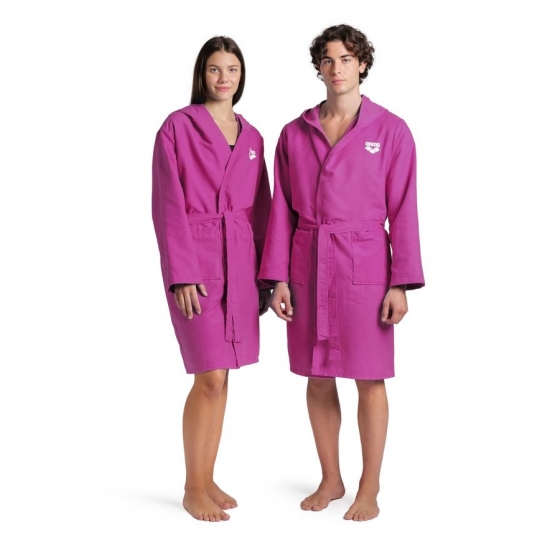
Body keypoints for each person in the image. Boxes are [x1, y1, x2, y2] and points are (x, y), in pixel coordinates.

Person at [258, 24, 424, 522]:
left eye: (347, 59)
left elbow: (405, 210)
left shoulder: (391, 130)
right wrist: (278, 277)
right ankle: (331, 478)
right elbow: (281, 210)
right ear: (319, 67)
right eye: (328, 60)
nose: (337, 69)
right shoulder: (294, 132)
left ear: (363, 64)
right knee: (317, 375)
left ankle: (369, 487)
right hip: (309, 262)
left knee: (369, 378)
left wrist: (400, 282)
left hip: (365, 264)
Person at [152, 36, 271, 522]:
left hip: (240, 261)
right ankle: (191, 486)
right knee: (210, 375)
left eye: (233, 69)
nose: (224, 78)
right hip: (197, 262)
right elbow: (167, 205)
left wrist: (267, 276)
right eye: (215, 69)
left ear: (242, 76)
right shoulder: (177, 127)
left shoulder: (252, 137)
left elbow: (262, 209)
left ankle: (207, 477)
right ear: (202, 73)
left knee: (223, 378)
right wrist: (181, 275)